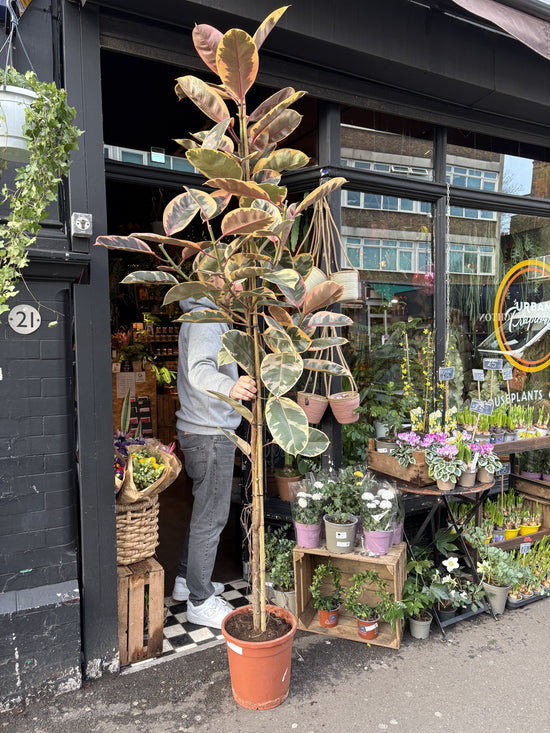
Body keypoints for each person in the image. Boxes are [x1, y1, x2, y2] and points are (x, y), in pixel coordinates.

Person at [171, 285, 256, 629]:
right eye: (234, 279)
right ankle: (200, 600)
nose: (239, 286)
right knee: (212, 517)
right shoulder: (207, 319)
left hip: (200, 429)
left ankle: (185, 580)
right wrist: (231, 387)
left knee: (204, 511)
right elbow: (200, 370)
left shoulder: (200, 314)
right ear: (216, 281)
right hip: (209, 433)